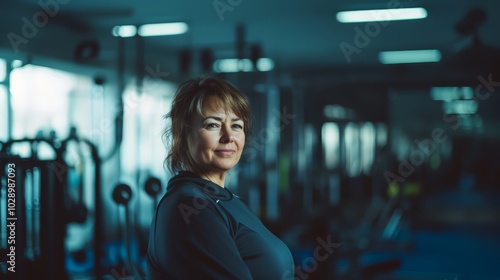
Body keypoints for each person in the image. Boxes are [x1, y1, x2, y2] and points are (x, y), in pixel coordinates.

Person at [147, 76, 294, 279]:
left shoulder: (225, 199)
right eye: (212, 125)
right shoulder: (191, 206)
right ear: (182, 134)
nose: (228, 137)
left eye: (236, 126)